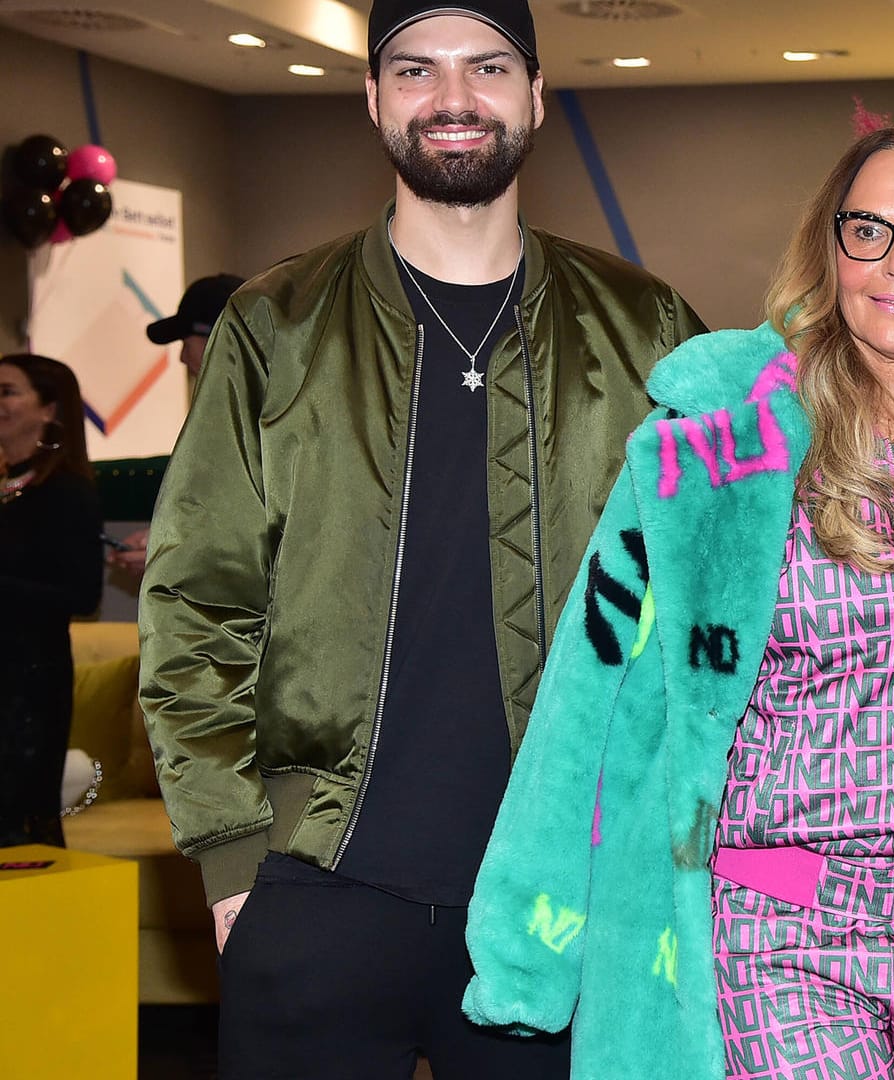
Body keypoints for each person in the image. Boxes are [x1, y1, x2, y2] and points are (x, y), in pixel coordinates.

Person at [462, 124, 894, 1080]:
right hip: (784, 938)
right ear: (829, 247)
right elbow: (592, 686)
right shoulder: (717, 447)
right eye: (870, 230)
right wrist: (527, 940)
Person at [136, 0, 703, 1074]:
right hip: (316, 891)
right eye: (415, 70)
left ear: (536, 94)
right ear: (374, 99)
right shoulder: (276, 326)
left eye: (487, 66)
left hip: (562, 902)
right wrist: (231, 861)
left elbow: (714, 600)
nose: (453, 98)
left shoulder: (648, 328)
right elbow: (195, 603)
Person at [0, 354, 102, 848]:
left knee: (23, 830)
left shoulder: (67, 492)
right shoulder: (7, 487)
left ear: (50, 409)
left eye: (7, 391)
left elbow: (83, 595)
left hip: (29, 687)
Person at [106, 272, 249, 577]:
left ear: (218, 338)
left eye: (187, 342)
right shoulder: (241, 413)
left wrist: (174, 551)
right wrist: (165, 542)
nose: (183, 358)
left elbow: (259, 527)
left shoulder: (261, 418)